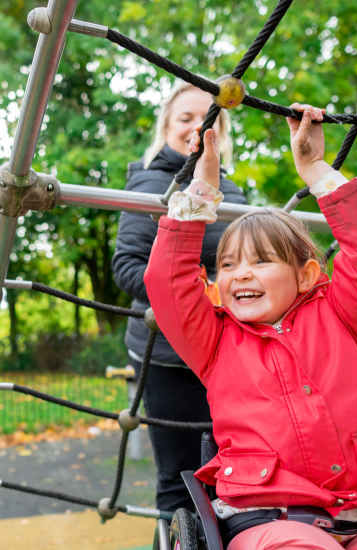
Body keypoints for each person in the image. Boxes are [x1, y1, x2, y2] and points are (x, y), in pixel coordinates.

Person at [143, 104, 357, 550]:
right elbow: (165, 281)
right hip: (270, 517)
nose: (240, 274)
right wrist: (203, 189)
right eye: (227, 265)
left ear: (305, 275)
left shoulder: (342, 316)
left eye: (261, 261)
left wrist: (316, 169)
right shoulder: (216, 340)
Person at [112, 82, 248, 513]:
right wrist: (197, 295)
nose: (196, 128)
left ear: (220, 133)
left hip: (224, 349)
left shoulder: (236, 194)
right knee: (179, 477)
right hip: (167, 353)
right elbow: (128, 267)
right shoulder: (151, 185)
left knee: (228, 471)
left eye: (208, 119)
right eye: (185, 118)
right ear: (167, 127)